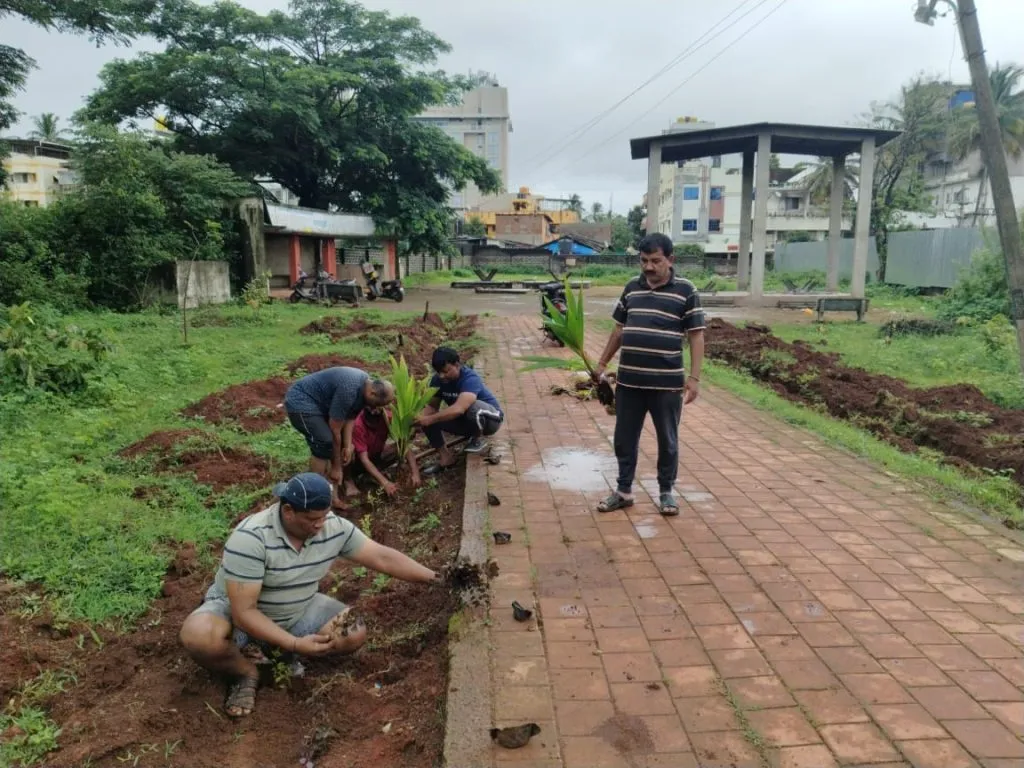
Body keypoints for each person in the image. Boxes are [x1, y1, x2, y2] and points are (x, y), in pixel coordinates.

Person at [179, 472, 439, 718]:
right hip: (238, 613)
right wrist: (294, 643)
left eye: (324, 516)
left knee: (352, 632)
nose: (320, 525)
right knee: (199, 635)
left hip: (298, 605)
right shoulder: (251, 538)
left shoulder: (332, 527)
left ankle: (275, 652)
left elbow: (382, 557)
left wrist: (437, 578)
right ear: (288, 510)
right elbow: (244, 612)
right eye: (313, 519)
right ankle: (245, 672)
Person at [592, 232, 705, 517]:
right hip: (629, 382)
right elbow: (618, 330)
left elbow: (696, 336)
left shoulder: (686, 290)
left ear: (670, 259)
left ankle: (666, 492)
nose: (649, 267)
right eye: (644, 261)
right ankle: (623, 490)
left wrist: (694, 379)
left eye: (655, 261)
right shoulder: (631, 288)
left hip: (666, 385)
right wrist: (602, 363)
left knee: (667, 439)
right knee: (624, 438)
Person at [283, 366, 394, 508]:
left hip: (321, 406)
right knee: (324, 441)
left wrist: (347, 446)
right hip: (302, 402)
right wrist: (336, 466)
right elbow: (335, 430)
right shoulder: (349, 391)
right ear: (372, 394)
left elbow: (351, 418)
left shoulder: (364, 386)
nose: (377, 409)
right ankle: (312, 494)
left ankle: (333, 499)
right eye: (379, 404)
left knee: (338, 447)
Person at [415, 347, 503, 468]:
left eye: (446, 371)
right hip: (465, 421)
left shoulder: (470, 378)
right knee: (428, 419)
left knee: (473, 406)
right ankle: (446, 458)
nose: (441, 376)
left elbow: (459, 408)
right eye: (438, 372)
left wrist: (430, 419)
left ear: (457, 365)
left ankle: (478, 439)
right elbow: (431, 406)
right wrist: (419, 421)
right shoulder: (437, 381)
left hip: (490, 420)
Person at [344, 404, 422, 497]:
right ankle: (348, 481)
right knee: (348, 451)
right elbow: (364, 459)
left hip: (375, 455)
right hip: (357, 462)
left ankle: (372, 474)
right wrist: (385, 483)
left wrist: (415, 472)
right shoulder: (357, 425)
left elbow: (404, 445)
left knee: (399, 448)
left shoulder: (387, 418)